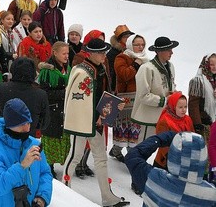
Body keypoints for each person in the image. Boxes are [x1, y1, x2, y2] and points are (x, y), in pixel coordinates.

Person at [63, 38, 130, 207]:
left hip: (97, 122)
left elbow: (101, 95)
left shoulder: (100, 69)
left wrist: (114, 103)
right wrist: (96, 116)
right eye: (100, 53)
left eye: (104, 52)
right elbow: (79, 100)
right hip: (82, 122)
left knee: (101, 159)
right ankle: (63, 191)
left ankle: (107, 196)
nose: (103, 55)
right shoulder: (81, 71)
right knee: (75, 156)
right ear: (90, 53)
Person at [0, 98, 53, 207]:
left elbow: (45, 173)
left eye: (28, 122)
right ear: (10, 125)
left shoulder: (34, 144)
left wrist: (42, 197)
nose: (26, 128)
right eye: (21, 124)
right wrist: (22, 165)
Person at [125, 131, 216, 207]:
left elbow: (132, 157)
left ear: (173, 156)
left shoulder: (153, 179)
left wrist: (160, 139)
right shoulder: (211, 195)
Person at [131, 36, 178, 143]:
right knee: (144, 147)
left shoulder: (170, 66)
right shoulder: (146, 68)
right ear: (159, 51)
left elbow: (171, 85)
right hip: (148, 117)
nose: (172, 52)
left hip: (165, 116)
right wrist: (165, 100)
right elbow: (143, 96)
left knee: (163, 147)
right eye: (168, 50)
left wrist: (174, 94)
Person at [111, 34, 150, 163]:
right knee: (124, 129)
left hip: (140, 99)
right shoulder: (122, 57)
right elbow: (124, 75)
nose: (140, 47)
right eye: (137, 44)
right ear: (129, 45)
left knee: (135, 130)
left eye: (142, 45)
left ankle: (130, 156)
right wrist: (136, 64)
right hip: (125, 100)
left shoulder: (146, 59)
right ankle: (121, 152)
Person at [0, 57, 50, 136]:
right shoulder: (40, 94)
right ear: (33, 72)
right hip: (26, 139)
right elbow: (44, 123)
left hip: (1, 137)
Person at [38, 41, 71, 178]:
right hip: (52, 111)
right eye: (63, 53)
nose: (66, 56)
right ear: (55, 53)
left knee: (63, 136)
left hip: (65, 110)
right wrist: (65, 92)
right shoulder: (47, 71)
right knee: (51, 138)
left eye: (68, 53)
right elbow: (44, 93)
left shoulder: (67, 68)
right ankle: (48, 166)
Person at [154, 91, 194, 170]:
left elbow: (192, 135)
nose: (184, 110)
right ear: (173, 106)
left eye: (185, 107)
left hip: (184, 159)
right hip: (166, 161)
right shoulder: (165, 121)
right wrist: (173, 157)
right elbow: (162, 143)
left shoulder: (187, 119)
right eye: (180, 107)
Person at [188, 54, 216, 141]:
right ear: (206, 65)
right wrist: (197, 125)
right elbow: (193, 105)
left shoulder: (214, 81)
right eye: (211, 64)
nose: (214, 67)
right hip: (204, 123)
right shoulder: (198, 81)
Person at [107, 24, 135, 95]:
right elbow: (110, 73)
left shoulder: (133, 50)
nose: (128, 38)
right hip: (119, 90)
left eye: (129, 36)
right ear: (119, 39)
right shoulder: (113, 53)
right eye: (125, 37)